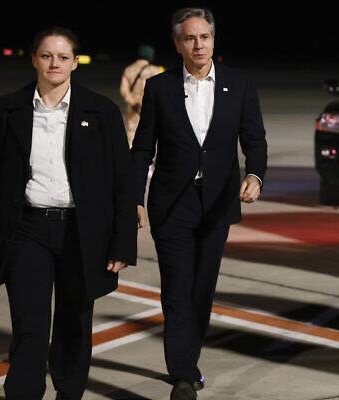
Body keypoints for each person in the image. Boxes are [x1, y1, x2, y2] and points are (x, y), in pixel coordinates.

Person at [131, 7, 267, 400]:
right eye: (189, 38)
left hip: (217, 203)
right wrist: (133, 200)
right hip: (172, 204)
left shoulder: (239, 84)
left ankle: (188, 359)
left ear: (213, 40)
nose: (198, 44)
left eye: (204, 36)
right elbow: (142, 150)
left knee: (201, 288)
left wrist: (255, 175)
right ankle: (183, 373)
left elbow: (254, 138)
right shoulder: (159, 88)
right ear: (177, 44)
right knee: (176, 288)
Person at [0, 27, 136, 399]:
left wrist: (121, 242)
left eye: (62, 57)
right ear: (34, 60)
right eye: (46, 55)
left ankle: (69, 393)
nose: (54, 63)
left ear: (76, 63)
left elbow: (122, 182)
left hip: (81, 232)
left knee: (74, 324)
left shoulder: (101, 111)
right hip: (27, 231)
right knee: (29, 325)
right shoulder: (8, 109)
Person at [119, 44, 161, 147]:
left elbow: (124, 90)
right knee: (151, 134)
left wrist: (133, 103)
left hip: (134, 107)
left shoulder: (129, 69)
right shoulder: (154, 70)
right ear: (150, 57)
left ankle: (131, 159)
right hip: (150, 107)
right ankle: (148, 162)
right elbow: (158, 90)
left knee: (132, 133)